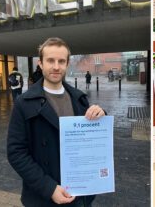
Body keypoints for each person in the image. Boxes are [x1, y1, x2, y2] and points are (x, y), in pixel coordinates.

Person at [7, 37, 106, 206]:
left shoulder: (79, 98)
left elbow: (90, 142)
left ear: (67, 64)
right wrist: (49, 188)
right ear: (40, 63)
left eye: (61, 61)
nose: (56, 66)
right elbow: (16, 153)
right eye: (50, 60)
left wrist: (100, 115)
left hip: (79, 195)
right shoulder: (23, 103)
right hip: (43, 196)